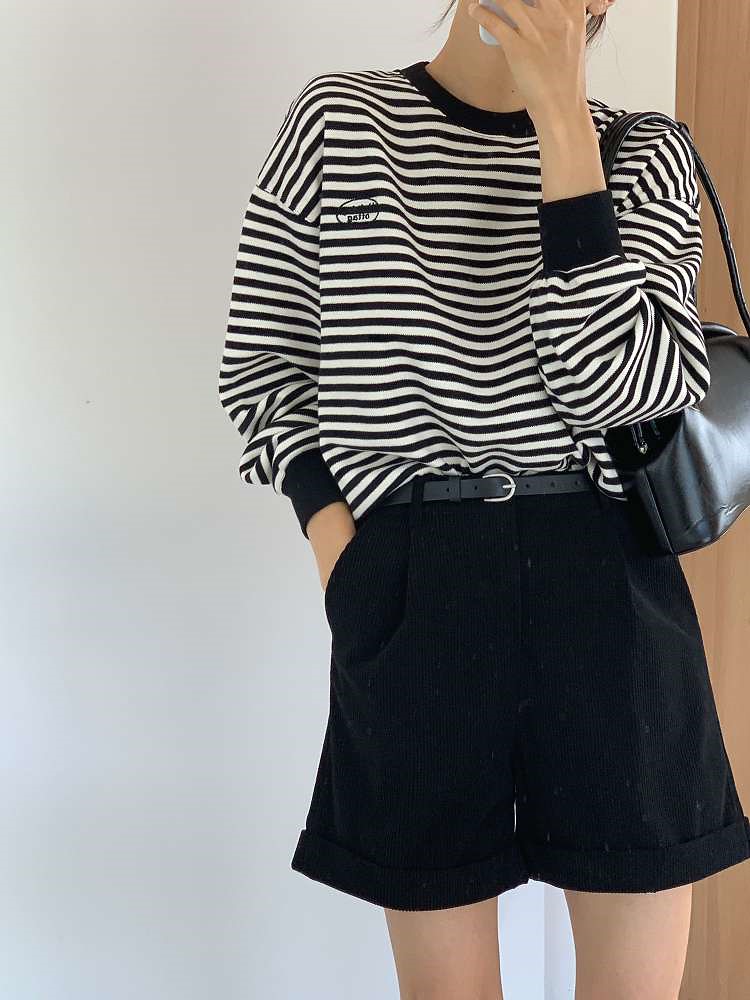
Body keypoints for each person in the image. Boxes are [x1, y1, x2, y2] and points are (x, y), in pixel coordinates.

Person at [218, 1, 750, 996]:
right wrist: (344, 559)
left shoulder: (647, 155)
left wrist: (564, 129)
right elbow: (267, 367)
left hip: (608, 585)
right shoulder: (340, 123)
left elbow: (624, 390)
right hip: (416, 587)